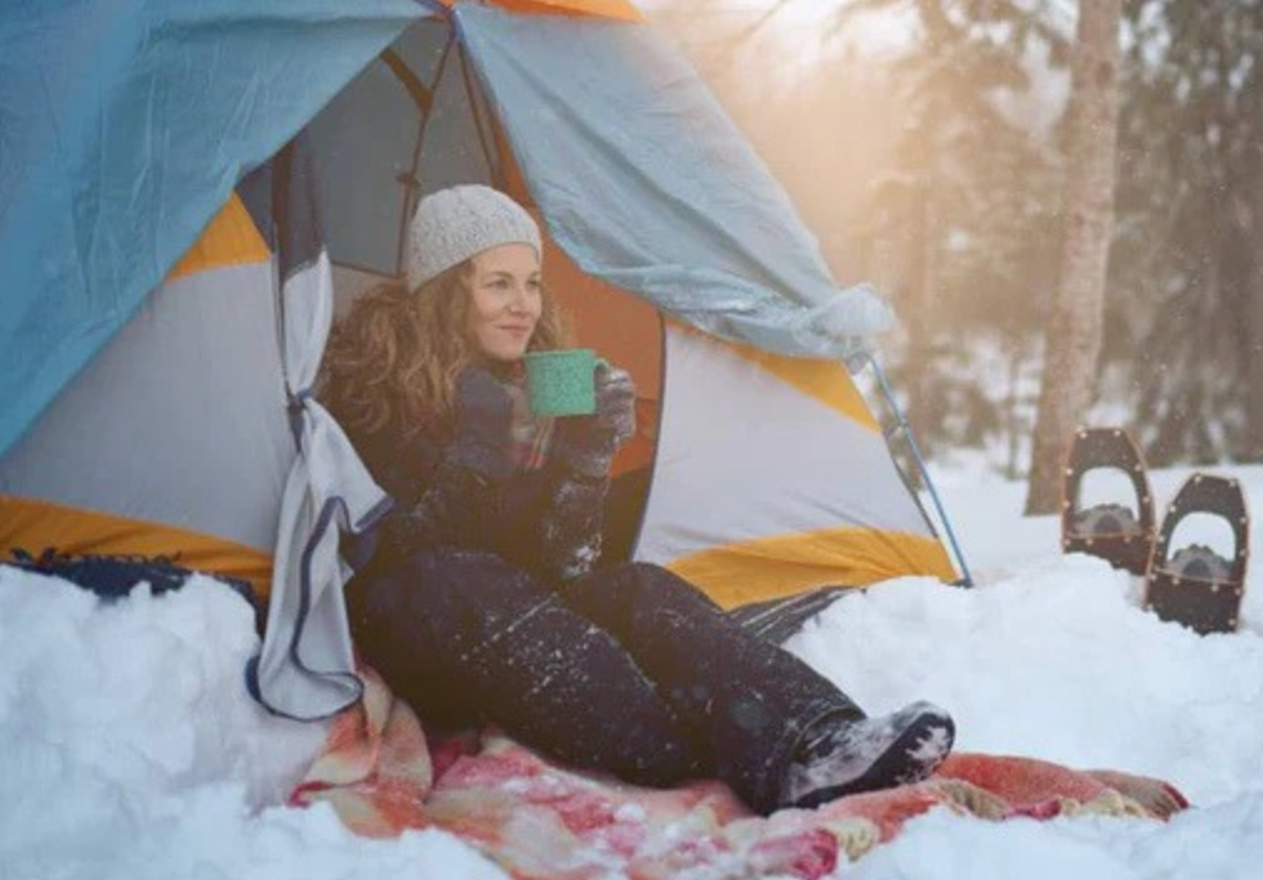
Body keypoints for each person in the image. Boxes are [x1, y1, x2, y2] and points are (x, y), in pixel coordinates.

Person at [320, 184, 954, 814]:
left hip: (520, 625)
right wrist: (473, 455)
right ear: (445, 291)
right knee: (457, 579)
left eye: (532, 283)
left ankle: (824, 735)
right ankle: (709, 748)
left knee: (638, 588)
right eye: (498, 284)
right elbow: (397, 559)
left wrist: (586, 457)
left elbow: (560, 567)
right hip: (425, 627)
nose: (524, 307)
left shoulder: (538, 382)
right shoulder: (374, 382)